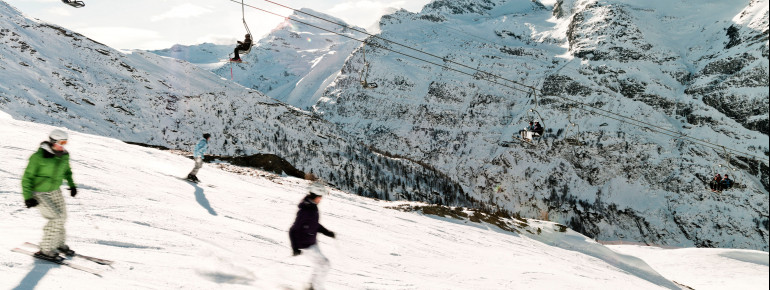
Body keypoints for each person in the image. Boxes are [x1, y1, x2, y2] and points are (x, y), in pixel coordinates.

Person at [21, 129, 77, 261]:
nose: (63, 145)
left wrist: (72, 184)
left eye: (65, 142)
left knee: (63, 217)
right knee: (55, 218)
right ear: (53, 141)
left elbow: (67, 171)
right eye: (61, 142)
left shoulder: (64, 155)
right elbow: (27, 177)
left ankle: (58, 244)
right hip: (39, 192)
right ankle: (46, 249)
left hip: (55, 190)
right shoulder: (39, 157)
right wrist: (27, 197)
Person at [289, 182, 336, 290]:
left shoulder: (312, 207)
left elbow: (313, 224)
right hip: (306, 245)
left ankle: (311, 286)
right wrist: (294, 248)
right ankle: (315, 287)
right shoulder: (305, 211)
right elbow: (292, 230)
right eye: (320, 197)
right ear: (315, 196)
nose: (321, 199)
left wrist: (327, 232)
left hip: (312, 242)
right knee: (324, 265)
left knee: (321, 265)